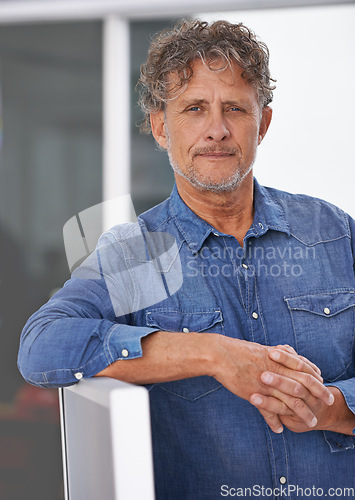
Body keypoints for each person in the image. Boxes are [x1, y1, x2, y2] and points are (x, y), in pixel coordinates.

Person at [18, 20, 355, 499]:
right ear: (160, 126)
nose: (216, 130)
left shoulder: (333, 232)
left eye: (234, 108)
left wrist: (336, 407)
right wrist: (211, 353)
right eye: (194, 108)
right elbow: (41, 346)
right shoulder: (136, 254)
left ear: (263, 123)